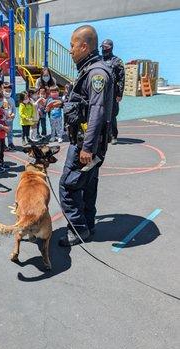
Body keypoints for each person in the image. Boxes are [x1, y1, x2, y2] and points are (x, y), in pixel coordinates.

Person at [58, 25, 113, 246]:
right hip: (90, 143)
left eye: (72, 46)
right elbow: (86, 104)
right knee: (88, 186)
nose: (70, 50)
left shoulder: (96, 73)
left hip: (86, 144)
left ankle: (79, 230)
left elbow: (97, 111)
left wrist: (87, 148)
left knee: (68, 186)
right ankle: (88, 224)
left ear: (84, 46)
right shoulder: (90, 70)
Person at [101, 39, 125, 145]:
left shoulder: (117, 61)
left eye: (106, 47)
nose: (104, 49)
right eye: (102, 47)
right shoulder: (99, 60)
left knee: (112, 115)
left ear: (110, 48)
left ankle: (113, 135)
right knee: (100, 114)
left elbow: (121, 78)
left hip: (113, 93)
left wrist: (119, 93)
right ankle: (104, 135)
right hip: (100, 92)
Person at [3, 83, 16, 150]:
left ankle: (10, 143)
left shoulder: (12, 99)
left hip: (10, 119)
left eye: (9, 91)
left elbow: (14, 109)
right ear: (3, 90)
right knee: (3, 131)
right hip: (3, 119)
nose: (8, 92)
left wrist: (13, 114)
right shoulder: (1, 99)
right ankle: (3, 144)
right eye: (6, 90)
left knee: (10, 132)